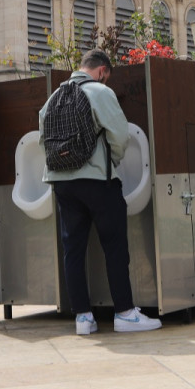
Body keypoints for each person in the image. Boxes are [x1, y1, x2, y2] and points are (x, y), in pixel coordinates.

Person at [39, 49, 162, 335]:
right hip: (97, 180)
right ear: (102, 71)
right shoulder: (100, 92)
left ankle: (83, 317)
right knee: (115, 246)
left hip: (62, 183)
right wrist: (111, 162)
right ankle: (125, 313)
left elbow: (44, 138)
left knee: (73, 250)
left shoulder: (53, 97)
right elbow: (120, 135)